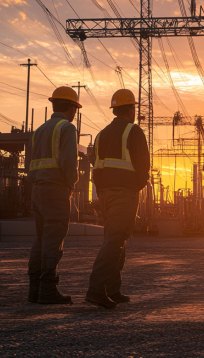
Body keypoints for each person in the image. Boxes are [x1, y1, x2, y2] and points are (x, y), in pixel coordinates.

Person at [86, 89, 150, 309]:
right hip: (124, 193)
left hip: (104, 194)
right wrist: (135, 187)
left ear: (115, 110)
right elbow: (143, 167)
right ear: (132, 109)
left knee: (115, 239)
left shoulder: (102, 133)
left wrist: (102, 191)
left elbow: (95, 164)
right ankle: (96, 289)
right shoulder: (133, 132)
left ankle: (112, 289)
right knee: (115, 240)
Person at [27, 86, 81, 304]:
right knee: (53, 240)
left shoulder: (39, 130)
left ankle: (34, 289)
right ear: (71, 107)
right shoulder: (66, 128)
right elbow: (69, 162)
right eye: (75, 108)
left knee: (41, 239)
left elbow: (31, 163)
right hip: (56, 189)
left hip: (37, 189)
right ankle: (48, 290)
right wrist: (72, 184)